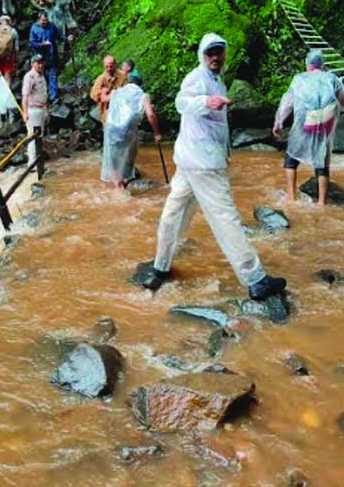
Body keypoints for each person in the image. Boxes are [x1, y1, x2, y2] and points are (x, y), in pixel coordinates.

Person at [142, 32, 287, 301]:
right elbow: (181, 102)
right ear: (202, 55)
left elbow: (219, 126)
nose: (215, 57)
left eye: (219, 52)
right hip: (202, 164)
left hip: (191, 160)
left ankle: (161, 265)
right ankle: (254, 278)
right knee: (226, 218)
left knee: (173, 213)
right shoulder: (196, 79)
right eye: (210, 53)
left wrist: (226, 152)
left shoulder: (218, 81)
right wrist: (205, 102)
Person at [273, 49, 344, 205]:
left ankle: (291, 197)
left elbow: (287, 103)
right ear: (323, 64)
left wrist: (278, 122)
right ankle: (322, 202)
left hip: (303, 124)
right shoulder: (333, 79)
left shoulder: (299, 79)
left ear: (307, 65)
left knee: (291, 159)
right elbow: (342, 100)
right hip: (324, 125)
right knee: (322, 162)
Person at [101, 76, 161, 188]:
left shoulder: (116, 92)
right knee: (128, 159)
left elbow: (104, 99)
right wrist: (156, 133)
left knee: (114, 161)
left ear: (127, 84)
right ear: (139, 86)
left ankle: (117, 187)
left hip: (111, 129)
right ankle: (124, 183)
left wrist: (104, 91)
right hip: (128, 131)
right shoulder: (143, 96)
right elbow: (151, 115)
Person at [29, 12, 63, 102]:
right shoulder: (34, 28)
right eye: (43, 20)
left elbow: (59, 36)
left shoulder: (51, 26)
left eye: (46, 20)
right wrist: (41, 44)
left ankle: (53, 97)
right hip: (40, 57)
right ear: (39, 19)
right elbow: (32, 43)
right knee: (41, 76)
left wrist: (67, 39)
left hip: (52, 55)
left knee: (52, 75)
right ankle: (42, 96)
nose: (45, 22)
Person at [22, 54, 48, 165]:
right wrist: (25, 113)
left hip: (41, 108)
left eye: (42, 62)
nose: (40, 65)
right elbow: (25, 96)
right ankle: (32, 163)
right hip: (32, 110)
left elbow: (43, 94)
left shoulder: (41, 76)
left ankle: (38, 161)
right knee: (32, 136)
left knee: (39, 136)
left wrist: (46, 109)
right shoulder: (29, 77)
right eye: (38, 63)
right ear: (33, 63)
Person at [90, 55, 127, 124]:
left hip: (122, 108)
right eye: (106, 67)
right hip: (107, 111)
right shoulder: (101, 79)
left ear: (115, 65)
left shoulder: (122, 75)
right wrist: (103, 92)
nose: (109, 69)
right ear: (104, 66)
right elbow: (93, 94)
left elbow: (128, 89)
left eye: (111, 66)